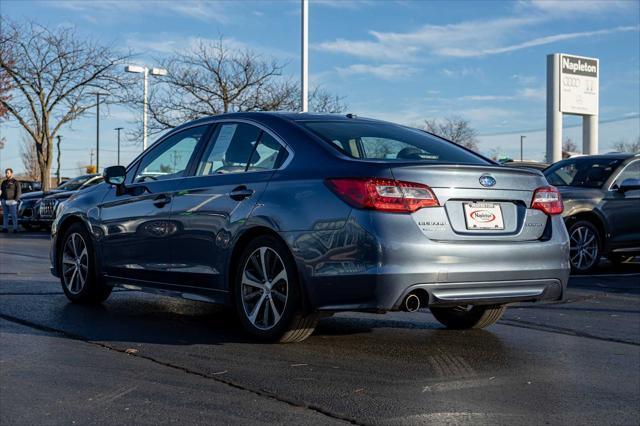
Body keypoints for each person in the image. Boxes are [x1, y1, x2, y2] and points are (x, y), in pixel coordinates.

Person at [1, 168, 21, 233]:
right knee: (5, 215)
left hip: (12, 201)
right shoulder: (4, 182)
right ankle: (5, 228)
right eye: (6, 173)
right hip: (4, 201)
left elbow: (18, 192)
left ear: (11, 173)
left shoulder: (16, 182)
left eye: (8, 173)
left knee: (14, 215)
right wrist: (1, 199)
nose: (6, 174)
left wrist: (15, 200)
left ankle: (15, 228)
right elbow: (1, 191)